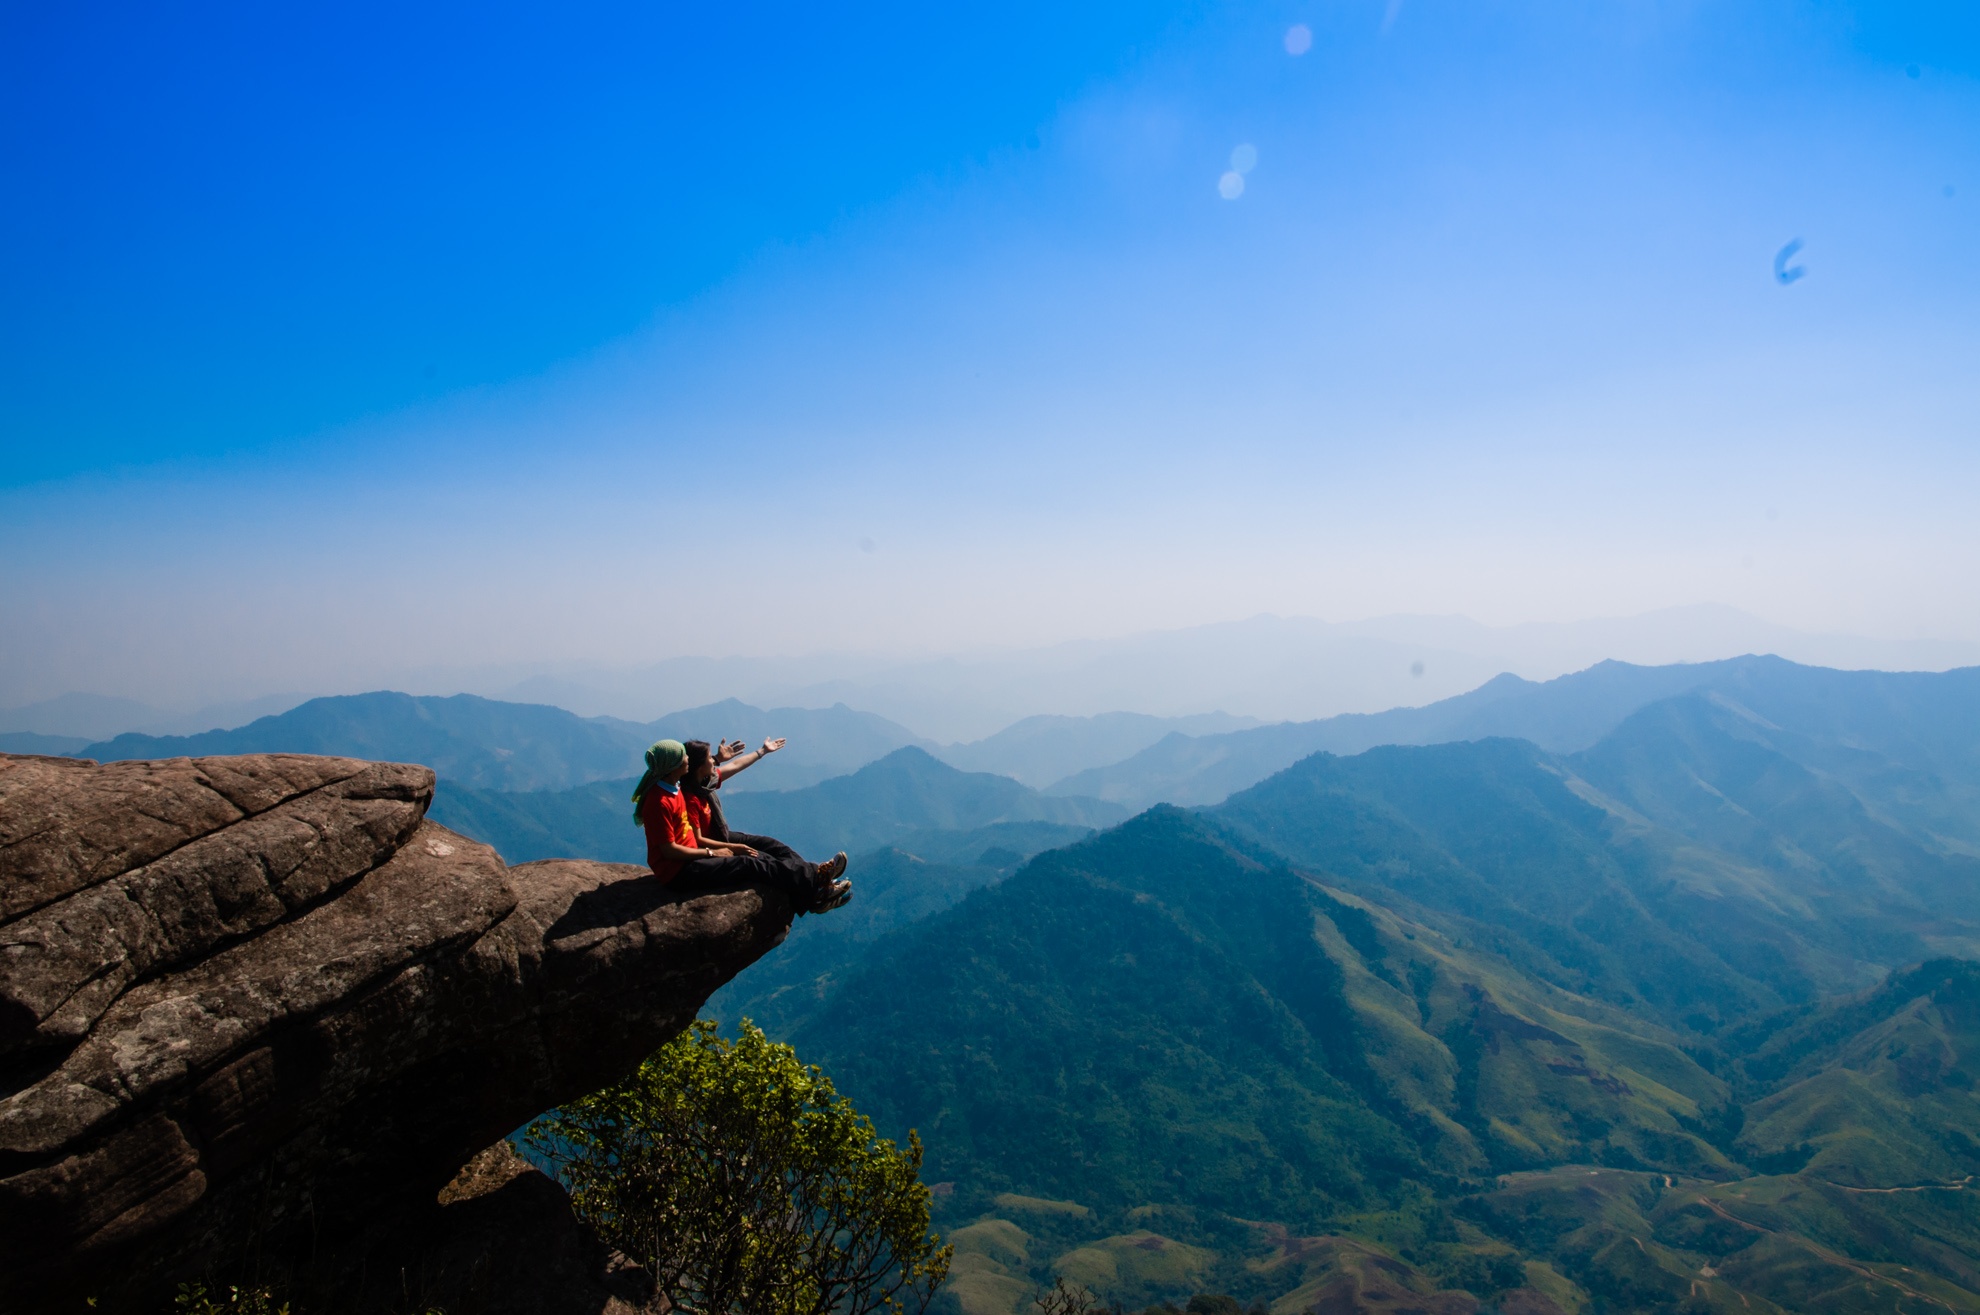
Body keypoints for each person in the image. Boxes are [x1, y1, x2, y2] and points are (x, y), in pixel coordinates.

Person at [631, 739, 850, 913]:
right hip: (679, 871)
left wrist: (758, 752)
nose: (686, 759)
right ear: (673, 766)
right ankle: (816, 883)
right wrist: (713, 852)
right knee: (751, 862)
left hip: (693, 856)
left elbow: (730, 766)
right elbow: (669, 850)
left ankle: (816, 885)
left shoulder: (676, 786)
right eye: (683, 757)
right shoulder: (663, 801)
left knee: (767, 849)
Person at [681, 737, 798, 862]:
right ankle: (812, 877)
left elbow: (735, 765)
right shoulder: (691, 798)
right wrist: (735, 847)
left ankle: (816, 873)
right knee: (764, 859)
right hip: (713, 844)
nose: (714, 761)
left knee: (772, 845)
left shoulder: (705, 784)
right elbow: (698, 839)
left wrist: (762, 751)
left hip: (720, 835)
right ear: (699, 767)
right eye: (710, 758)